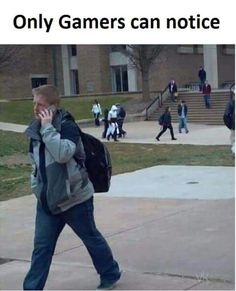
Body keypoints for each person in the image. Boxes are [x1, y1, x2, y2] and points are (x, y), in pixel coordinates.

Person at [23, 85, 121, 290]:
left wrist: (48, 128)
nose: (35, 108)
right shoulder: (34, 129)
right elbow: (34, 164)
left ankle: (110, 273)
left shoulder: (67, 126)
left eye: (39, 104)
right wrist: (37, 189)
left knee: (91, 238)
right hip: (48, 202)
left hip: (74, 198)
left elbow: (62, 154)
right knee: (42, 247)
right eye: (34, 104)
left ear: (52, 106)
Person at [223, 89, 235, 154]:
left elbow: (226, 115)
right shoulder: (231, 103)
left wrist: (230, 125)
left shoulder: (230, 103)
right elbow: (226, 115)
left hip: (233, 125)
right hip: (233, 125)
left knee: (233, 138)